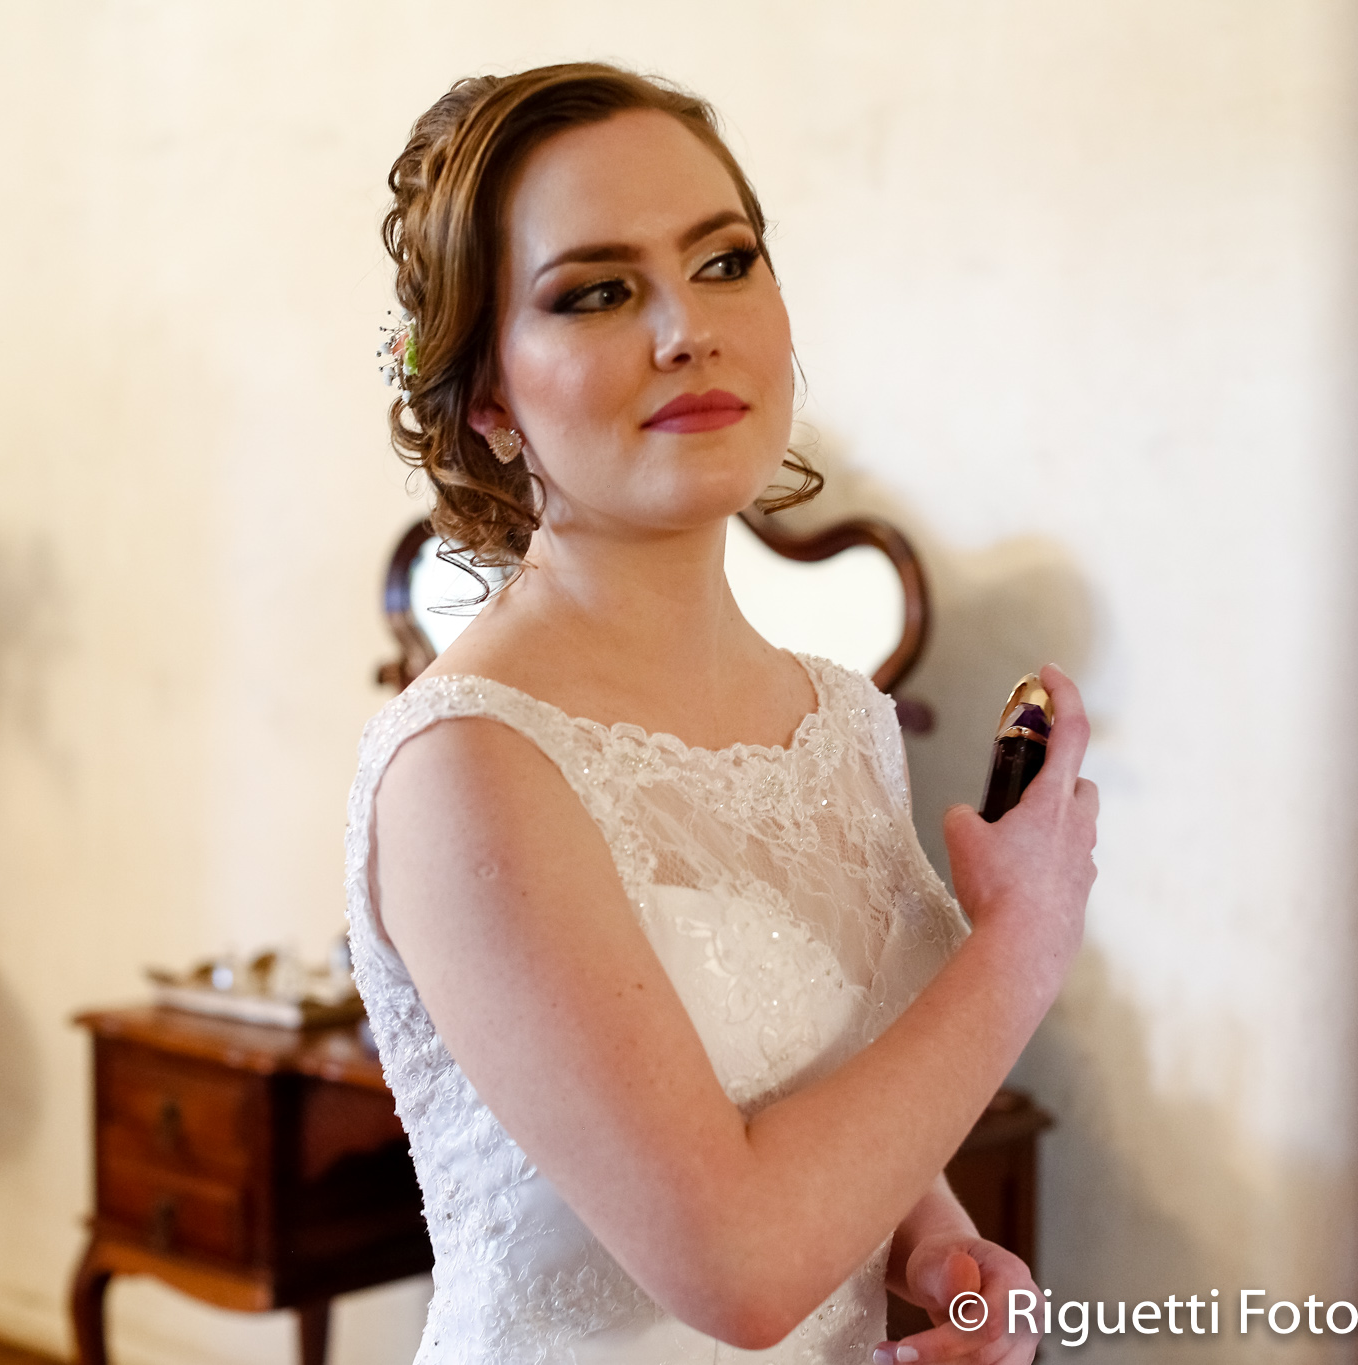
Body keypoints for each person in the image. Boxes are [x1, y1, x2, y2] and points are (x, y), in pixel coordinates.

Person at [345, 63, 1099, 1365]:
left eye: (725, 261)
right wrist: (1021, 944)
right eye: (595, 291)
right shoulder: (471, 765)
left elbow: (815, 1090)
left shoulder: (841, 719)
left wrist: (935, 1241)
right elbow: (739, 1270)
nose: (686, 327)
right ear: (489, 397)